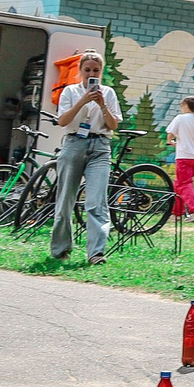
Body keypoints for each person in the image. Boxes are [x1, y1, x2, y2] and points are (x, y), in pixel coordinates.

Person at [50, 51, 121, 264]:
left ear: (101, 72)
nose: (92, 74)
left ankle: (96, 253)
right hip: (74, 144)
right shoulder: (70, 91)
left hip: (100, 145)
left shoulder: (108, 93)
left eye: (96, 70)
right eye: (88, 70)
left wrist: (102, 104)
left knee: (96, 201)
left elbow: (114, 125)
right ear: (80, 71)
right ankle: (61, 249)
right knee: (65, 199)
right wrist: (82, 101)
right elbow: (62, 121)